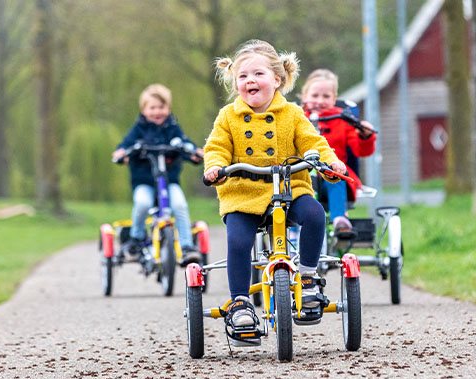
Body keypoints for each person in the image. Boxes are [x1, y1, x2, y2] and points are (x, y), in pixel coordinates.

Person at [203, 40, 346, 337]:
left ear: (277, 80)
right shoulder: (228, 116)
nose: (249, 81)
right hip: (243, 191)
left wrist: (329, 162)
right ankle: (241, 303)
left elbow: (313, 143)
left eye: (258, 74)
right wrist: (215, 167)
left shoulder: (292, 114)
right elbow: (216, 147)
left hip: (289, 187)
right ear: (235, 81)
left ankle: (307, 277)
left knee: (316, 215)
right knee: (239, 241)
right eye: (243, 76)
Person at [112, 83, 204, 266]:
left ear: (168, 109)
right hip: (144, 182)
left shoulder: (173, 128)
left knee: (180, 205)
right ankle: (136, 239)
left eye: (161, 107)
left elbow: (185, 144)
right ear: (144, 109)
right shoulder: (139, 129)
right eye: (152, 108)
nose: (157, 112)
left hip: (169, 182)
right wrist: (121, 153)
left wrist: (194, 153)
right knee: (142, 203)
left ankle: (186, 247)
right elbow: (126, 145)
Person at [300, 69, 376, 234]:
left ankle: (340, 221)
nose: (320, 101)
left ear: (334, 99)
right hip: (302, 177)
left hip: (333, 177)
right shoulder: (296, 118)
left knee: (336, 177)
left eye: (326, 96)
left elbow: (360, 150)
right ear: (304, 96)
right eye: (315, 96)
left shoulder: (343, 120)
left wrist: (364, 136)